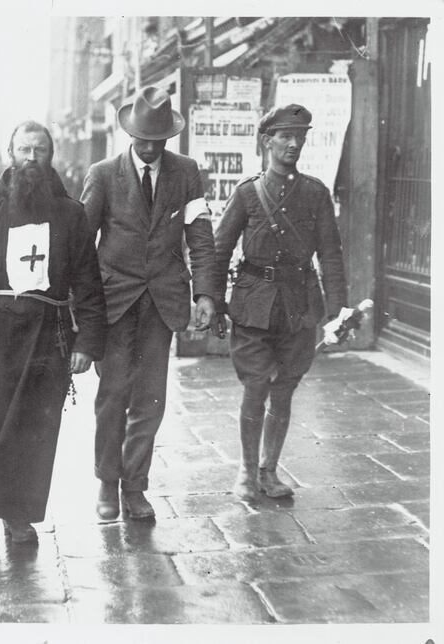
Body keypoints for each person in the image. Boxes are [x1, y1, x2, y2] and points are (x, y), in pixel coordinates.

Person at [0, 120, 107, 547]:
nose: (31, 158)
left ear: (51, 157)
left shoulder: (71, 216)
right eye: (23, 150)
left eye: (39, 150)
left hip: (48, 336)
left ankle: (19, 516)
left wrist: (87, 342)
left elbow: (88, 284)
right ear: (10, 155)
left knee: (36, 429)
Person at [81, 87, 216, 521]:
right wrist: (79, 309)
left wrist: (206, 293)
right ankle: (106, 480)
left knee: (151, 399)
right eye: (143, 139)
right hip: (114, 304)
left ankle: (134, 487)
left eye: (159, 140)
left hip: (162, 303)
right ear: (129, 134)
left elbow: (199, 235)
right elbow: (82, 245)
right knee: (112, 395)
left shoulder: (186, 173)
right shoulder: (102, 175)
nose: (151, 147)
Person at [212, 104, 348, 502]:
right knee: (255, 388)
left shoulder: (315, 193)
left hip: (300, 305)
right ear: (267, 140)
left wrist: (338, 309)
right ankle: (247, 470)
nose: (293, 144)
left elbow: (331, 253)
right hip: (254, 303)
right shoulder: (248, 193)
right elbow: (220, 251)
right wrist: (212, 301)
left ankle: (269, 471)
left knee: (285, 390)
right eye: (285, 136)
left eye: (300, 137)